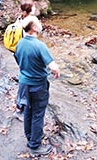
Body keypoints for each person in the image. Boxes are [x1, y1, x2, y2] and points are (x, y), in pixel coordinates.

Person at [14, 20, 60, 157]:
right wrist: (57, 72)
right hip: (37, 85)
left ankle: (30, 136)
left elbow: (17, 59)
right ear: (33, 28)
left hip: (24, 84)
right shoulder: (39, 45)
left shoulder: (20, 43)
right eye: (38, 22)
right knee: (38, 114)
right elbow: (53, 66)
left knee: (28, 110)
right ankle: (35, 146)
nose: (40, 23)